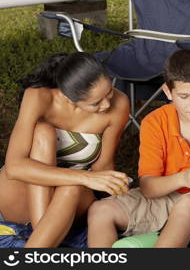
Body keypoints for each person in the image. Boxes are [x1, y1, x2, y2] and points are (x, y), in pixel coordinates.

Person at [87, 49, 190, 248]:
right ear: (167, 92)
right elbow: (148, 187)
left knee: (187, 204)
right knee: (100, 210)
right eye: (183, 96)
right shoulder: (154, 122)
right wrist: (182, 178)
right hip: (164, 198)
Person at [0, 52, 130, 248]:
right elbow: (14, 167)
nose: (107, 104)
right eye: (96, 103)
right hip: (22, 194)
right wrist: (82, 177)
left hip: (71, 198)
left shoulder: (119, 104)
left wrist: (115, 190)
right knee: (43, 132)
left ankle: (37, 246)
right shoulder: (38, 97)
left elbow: (103, 165)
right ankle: (44, 239)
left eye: (109, 92)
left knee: (71, 187)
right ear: (68, 97)